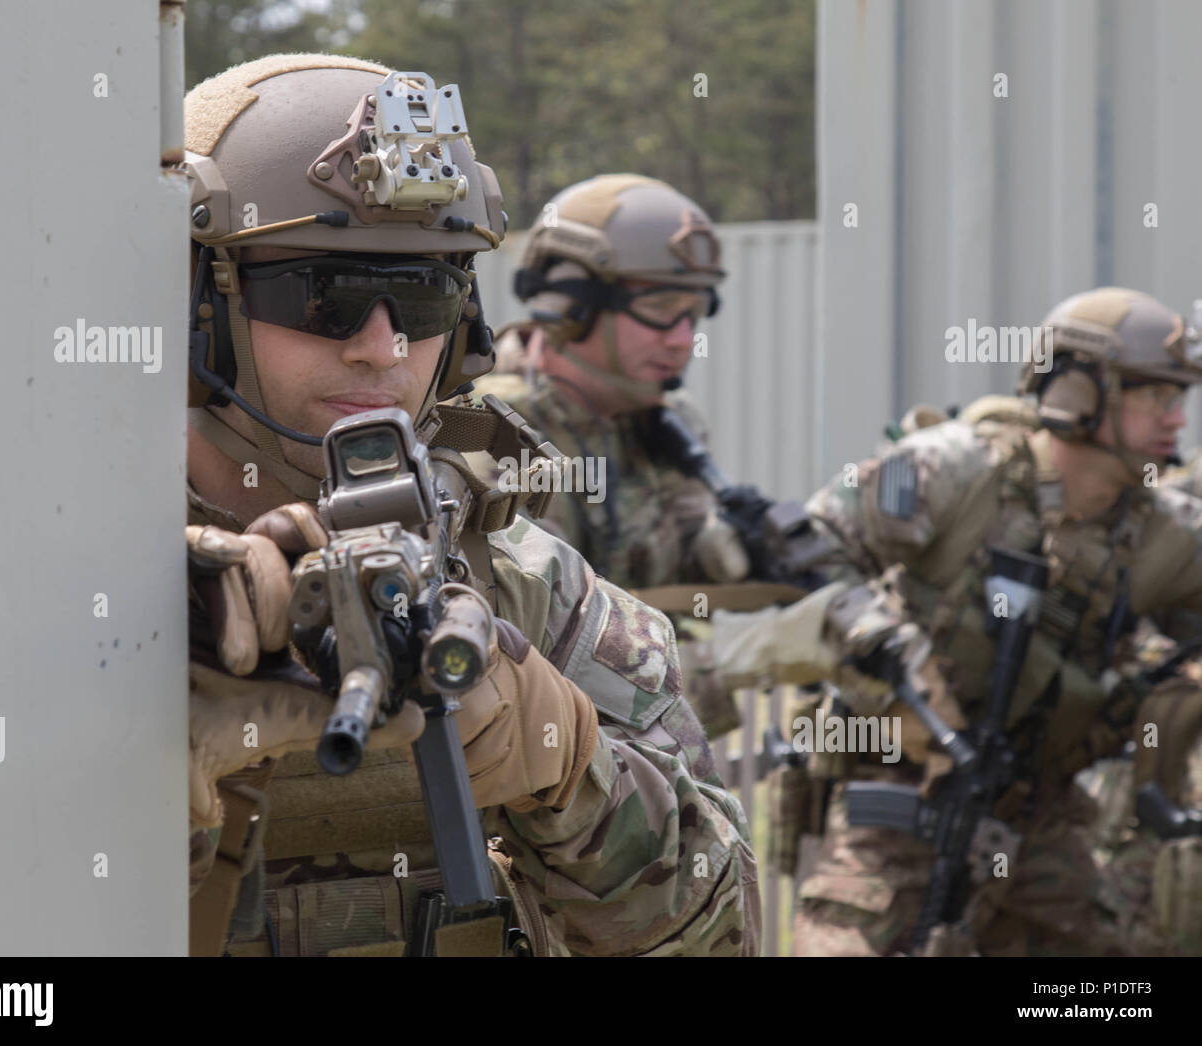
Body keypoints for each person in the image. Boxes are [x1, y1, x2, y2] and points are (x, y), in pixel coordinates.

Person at [178, 54, 759, 957]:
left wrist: (566, 765)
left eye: (422, 292)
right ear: (193, 304)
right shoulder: (58, 585)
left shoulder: (524, 584)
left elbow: (723, 933)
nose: (382, 347)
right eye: (321, 295)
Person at [714, 286, 1202, 955]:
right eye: (1157, 396)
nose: (1178, 419)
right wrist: (878, 644)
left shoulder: (1162, 534)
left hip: (1040, 821)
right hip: (896, 798)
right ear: (1080, 392)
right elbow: (803, 552)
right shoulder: (951, 468)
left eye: (1181, 398)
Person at [469, 175, 802, 736]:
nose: (682, 338)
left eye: (694, 311)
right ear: (571, 304)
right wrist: (750, 654)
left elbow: (665, 579)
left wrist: (746, 557)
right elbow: (536, 661)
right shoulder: (493, 435)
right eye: (661, 308)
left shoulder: (663, 422)